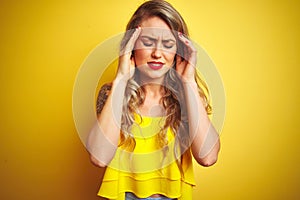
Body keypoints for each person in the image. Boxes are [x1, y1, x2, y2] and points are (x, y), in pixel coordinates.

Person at [87, 0, 220, 199]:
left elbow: (208, 157)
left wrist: (189, 83)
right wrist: (121, 79)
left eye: (167, 45)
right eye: (148, 43)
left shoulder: (189, 97)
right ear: (131, 47)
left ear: (178, 52)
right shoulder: (112, 93)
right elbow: (98, 157)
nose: (157, 53)